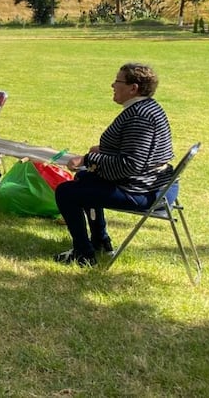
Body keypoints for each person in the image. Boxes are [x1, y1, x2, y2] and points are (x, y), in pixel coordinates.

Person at [54, 63, 174, 267]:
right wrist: (103, 150)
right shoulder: (146, 108)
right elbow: (136, 150)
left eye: (118, 81)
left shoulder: (140, 116)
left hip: (145, 192)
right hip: (152, 185)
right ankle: (100, 241)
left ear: (133, 88)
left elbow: (130, 164)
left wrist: (87, 159)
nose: (112, 85)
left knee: (66, 192)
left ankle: (83, 254)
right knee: (84, 178)